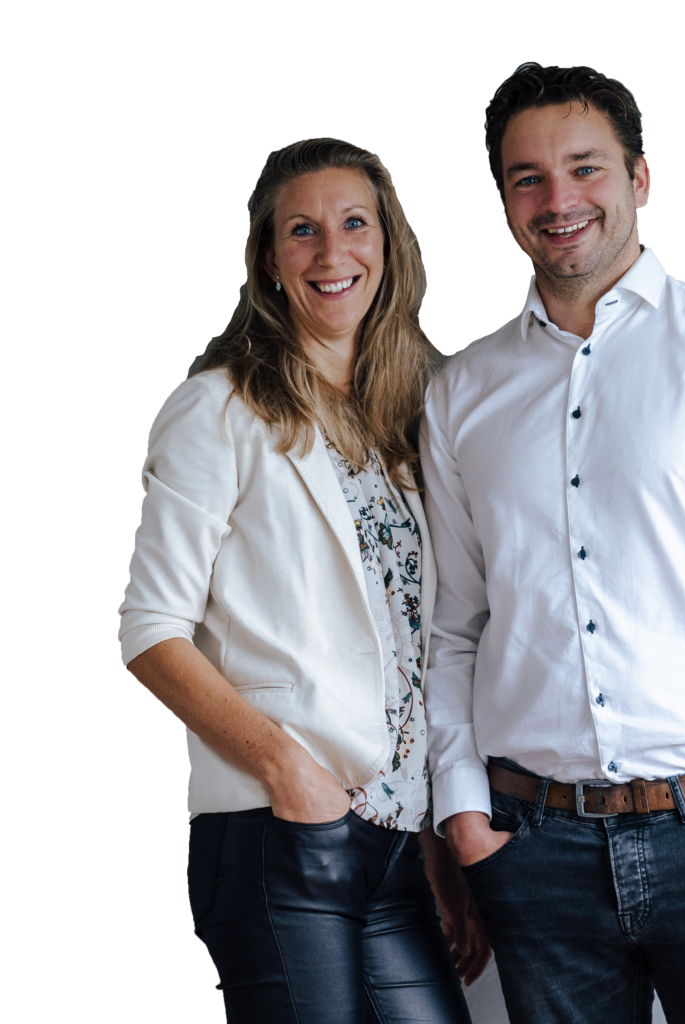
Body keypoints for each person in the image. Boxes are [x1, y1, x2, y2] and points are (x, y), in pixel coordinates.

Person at [420, 63, 685, 1024]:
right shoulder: (462, 391)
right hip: (532, 847)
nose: (559, 200)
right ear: (503, 201)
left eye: (585, 168)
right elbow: (451, 627)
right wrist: (465, 816)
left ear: (641, 177)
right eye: (528, 178)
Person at [119, 137, 490, 1024]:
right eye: (302, 231)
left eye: (354, 224)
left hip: (397, 846)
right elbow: (149, 632)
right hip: (277, 831)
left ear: (388, 245)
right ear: (269, 261)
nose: (332, 253)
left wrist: (436, 846)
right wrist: (288, 769)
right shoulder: (217, 409)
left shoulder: (408, 422)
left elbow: (408, 646)